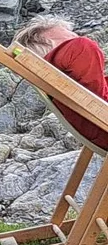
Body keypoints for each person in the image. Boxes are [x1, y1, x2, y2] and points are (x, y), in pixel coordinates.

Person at [14, 15, 108, 149]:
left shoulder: (64, 84)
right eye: (68, 37)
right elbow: (81, 46)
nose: (75, 37)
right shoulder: (77, 49)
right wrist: (78, 43)